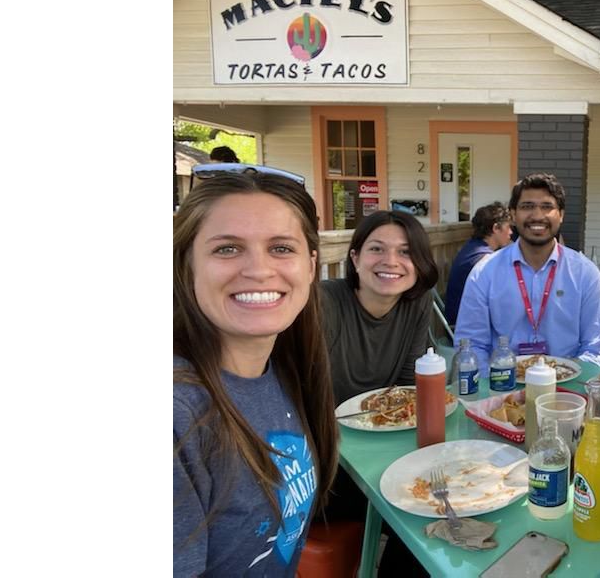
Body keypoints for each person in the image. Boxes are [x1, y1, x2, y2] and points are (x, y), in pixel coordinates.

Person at [173, 172, 338, 577]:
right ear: (187, 265)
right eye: (227, 249)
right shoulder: (177, 415)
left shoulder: (282, 370)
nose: (259, 270)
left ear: (310, 265)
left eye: (281, 248)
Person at [455, 173, 600, 365]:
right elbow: (472, 345)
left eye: (547, 207)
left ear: (561, 215)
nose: (537, 216)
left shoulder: (585, 274)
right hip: (503, 379)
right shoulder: (485, 273)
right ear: (513, 215)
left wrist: (568, 378)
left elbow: (594, 350)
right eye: (527, 206)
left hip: (568, 381)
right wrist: (494, 381)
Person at [319, 210, 440, 404]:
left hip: (385, 419)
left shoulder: (418, 301)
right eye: (376, 249)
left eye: (405, 252)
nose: (391, 262)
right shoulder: (323, 302)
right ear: (355, 258)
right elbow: (306, 389)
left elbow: (409, 383)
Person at [443, 202, 513, 327]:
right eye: (508, 227)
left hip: (458, 321)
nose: (511, 232)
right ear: (496, 228)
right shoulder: (484, 260)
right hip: (466, 329)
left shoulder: (473, 247)